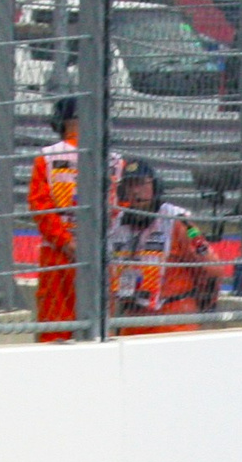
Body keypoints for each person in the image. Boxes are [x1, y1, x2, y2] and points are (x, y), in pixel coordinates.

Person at [26, 97, 122, 343]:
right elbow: (120, 208)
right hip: (101, 251)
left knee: (56, 326)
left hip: (58, 254)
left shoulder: (46, 158)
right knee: (101, 326)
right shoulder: (115, 160)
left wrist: (67, 242)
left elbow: (41, 207)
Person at [107, 159, 224, 335]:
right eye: (129, 185)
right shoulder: (117, 225)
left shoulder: (178, 222)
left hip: (174, 319)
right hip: (132, 319)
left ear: (156, 186)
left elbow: (213, 269)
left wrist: (206, 305)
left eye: (140, 184)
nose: (135, 191)